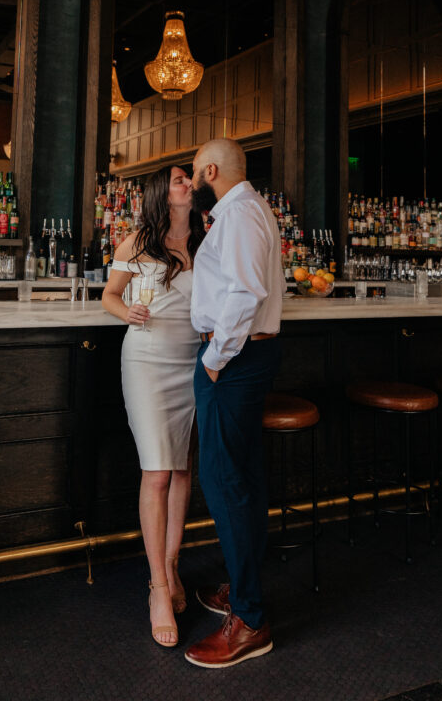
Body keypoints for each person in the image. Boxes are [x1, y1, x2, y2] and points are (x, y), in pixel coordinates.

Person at [184, 138, 286, 669]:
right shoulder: (240, 211)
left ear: (211, 170)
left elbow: (245, 293)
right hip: (246, 359)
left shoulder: (241, 214)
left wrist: (215, 359)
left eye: (196, 174)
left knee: (225, 483)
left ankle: (249, 619)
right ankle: (242, 591)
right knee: (240, 479)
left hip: (235, 361)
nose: (194, 182)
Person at [101, 165, 205, 648]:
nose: (188, 183)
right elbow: (110, 296)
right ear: (164, 193)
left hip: (193, 362)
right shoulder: (137, 241)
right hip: (146, 358)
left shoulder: (208, 241)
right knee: (158, 472)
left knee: (183, 468)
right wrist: (129, 312)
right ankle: (157, 589)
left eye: (189, 178)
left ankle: (170, 564)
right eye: (180, 178)